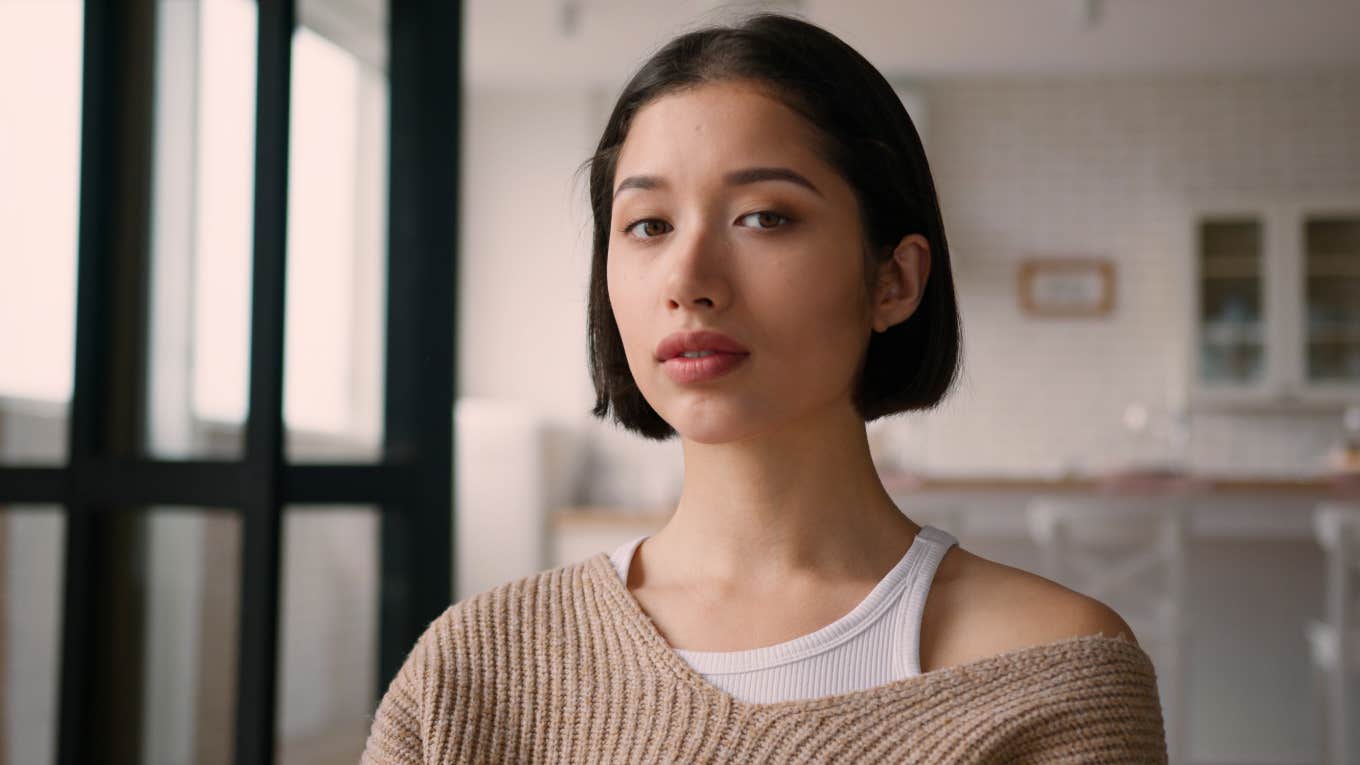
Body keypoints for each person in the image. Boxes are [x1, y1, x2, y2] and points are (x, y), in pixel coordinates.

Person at [362, 11, 1167, 764]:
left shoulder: (1055, 675)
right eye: (648, 224)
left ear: (894, 279)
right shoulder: (472, 670)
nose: (689, 280)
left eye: (764, 217)